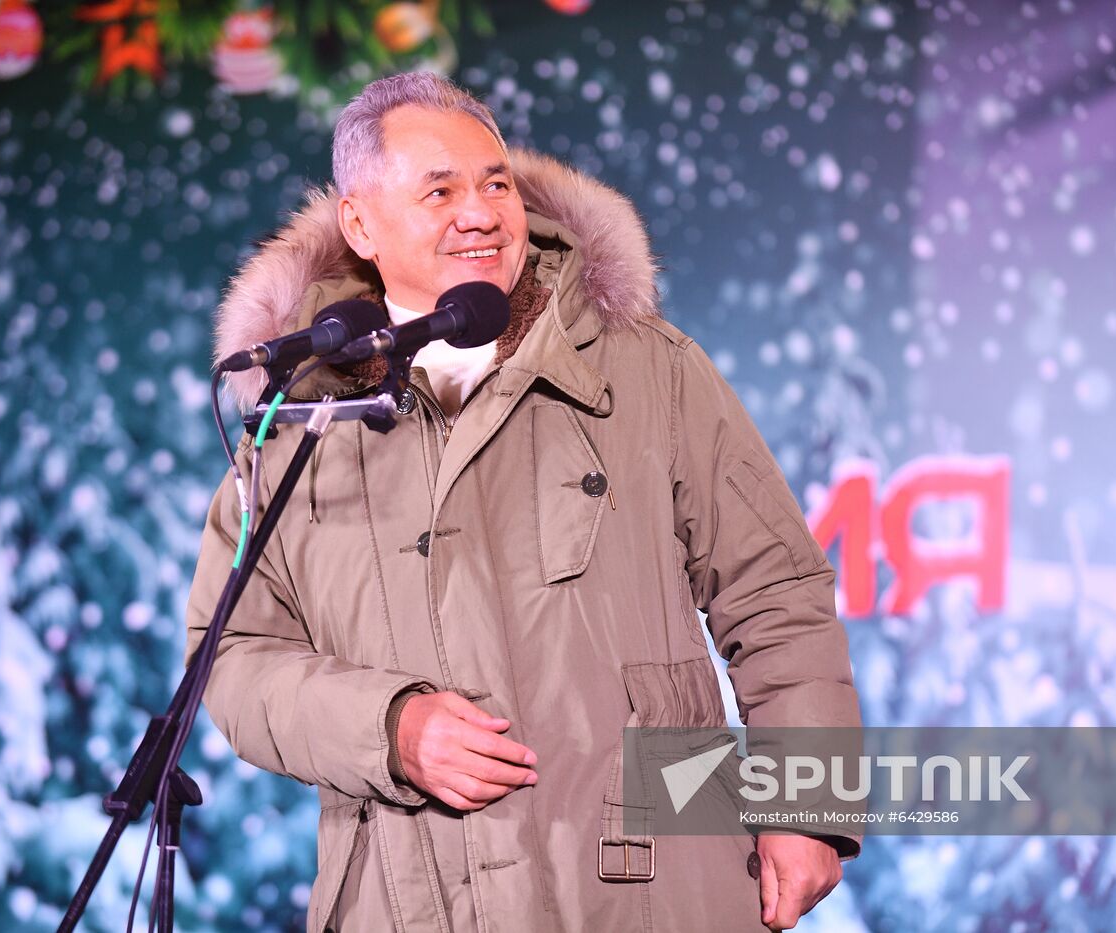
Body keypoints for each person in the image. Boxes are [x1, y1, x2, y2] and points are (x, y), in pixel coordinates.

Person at [186, 72, 861, 933]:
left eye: (494, 183)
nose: (480, 213)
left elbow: (776, 590)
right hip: (407, 900)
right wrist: (386, 728)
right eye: (440, 190)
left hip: (655, 886)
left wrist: (810, 810)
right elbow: (232, 654)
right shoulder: (297, 422)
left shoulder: (646, 367)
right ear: (360, 223)